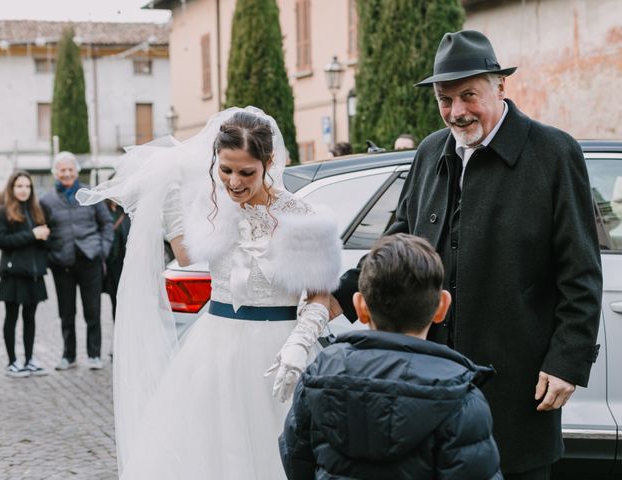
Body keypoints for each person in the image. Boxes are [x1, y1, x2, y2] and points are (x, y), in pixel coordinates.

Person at [331, 30, 602, 479]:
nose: (456, 111)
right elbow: (398, 242)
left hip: (517, 382)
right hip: (427, 380)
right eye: (444, 99)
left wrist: (567, 361)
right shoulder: (429, 151)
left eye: (468, 95)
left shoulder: (555, 153)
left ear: (500, 86)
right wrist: (336, 295)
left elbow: (581, 273)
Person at [76, 107, 342, 479]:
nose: (233, 182)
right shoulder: (212, 206)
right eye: (225, 170)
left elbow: (320, 296)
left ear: (269, 162)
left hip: (277, 349)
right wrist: (170, 206)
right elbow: (187, 256)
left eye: (246, 172)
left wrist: (300, 343)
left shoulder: (303, 216)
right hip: (215, 345)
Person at [280, 233, 502, 480]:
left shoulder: (318, 376)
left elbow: (296, 459)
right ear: (442, 306)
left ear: (360, 307)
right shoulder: (462, 398)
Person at [40, 152, 113, 371]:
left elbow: (106, 224)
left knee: (93, 310)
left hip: (90, 259)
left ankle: (94, 355)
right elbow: (42, 228)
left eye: (70, 169)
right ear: (55, 173)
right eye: (62, 170)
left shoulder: (90, 194)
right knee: (66, 311)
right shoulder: (46, 200)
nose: (67, 173)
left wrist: (102, 250)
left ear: (76, 172)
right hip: (62, 262)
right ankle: (68, 356)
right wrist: (50, 255)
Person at [0, 172, 50, 377]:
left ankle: (29, 359)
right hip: (13, 274)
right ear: (12, 188)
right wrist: (32, 235)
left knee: (30, 318)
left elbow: (44, 244)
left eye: (27, 186)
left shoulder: (37, 211)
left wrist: (44, 238)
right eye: (19, 186)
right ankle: (12, 362)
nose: (24, 189)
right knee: (12, 317)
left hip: (33, 274)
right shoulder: (2, 212)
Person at [103, 198, 131, 323]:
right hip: (109, 262)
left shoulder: (126, 210)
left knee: (125, 298)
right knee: (114, 297)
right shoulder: (103, 209)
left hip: (124, 262)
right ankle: (118, 327)